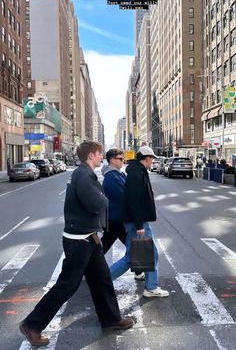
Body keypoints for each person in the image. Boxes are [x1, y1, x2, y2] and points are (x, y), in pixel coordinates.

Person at [19, 141, 134, 347]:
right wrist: (105, 198)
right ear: (91, 155)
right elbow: (96, 203)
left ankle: (111, 319)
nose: (101, 158)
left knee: (102, 279)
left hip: (88, 237)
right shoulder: (83, 175)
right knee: (67, 285)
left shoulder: (86, 174)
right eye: (99, 154)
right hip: (79, 242)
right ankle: (32, 325)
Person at [109, 146, 169, 298]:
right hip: (137, 222)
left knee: (137, 256)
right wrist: (139, 225)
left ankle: (150, 287)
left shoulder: (137, 172)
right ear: (146, 158)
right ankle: (150, 287)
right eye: (152, 159)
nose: (152, 162)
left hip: (136, 221)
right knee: (144, 255)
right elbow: (133, 201)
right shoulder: (137, 174)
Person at [101, 148, 143, 280]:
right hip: (117, 219)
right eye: (120, 158)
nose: (122, 161)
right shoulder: (112, 177)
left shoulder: (117, 174)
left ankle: (138, 271)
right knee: (134, 247)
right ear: (112, 160)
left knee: (104, 247)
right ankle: (138, 271)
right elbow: (124, 196)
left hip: (116, 218)